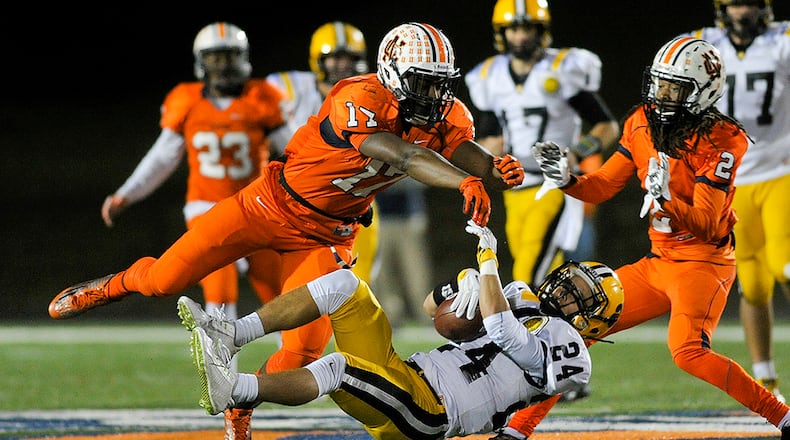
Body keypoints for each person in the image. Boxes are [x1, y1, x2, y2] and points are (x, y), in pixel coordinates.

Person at [48, 19, 525, 429]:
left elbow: (462, 151)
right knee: (165, 279)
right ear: (393, 75)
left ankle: (241, 400)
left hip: (329, 234)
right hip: (268, 206)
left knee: (304, 354)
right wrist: (464, 181)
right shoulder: (357, 96)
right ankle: (116, 284)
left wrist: (493, 166)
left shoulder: (444, 114)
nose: (435, 95)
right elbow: (404, 154)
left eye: (441, 83)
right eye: (424, 82)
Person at [492, 36, 790, 440]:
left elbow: (705, 222)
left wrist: (665, 198)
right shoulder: (641, 124)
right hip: (659, 261)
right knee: (576, 328)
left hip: (704, 262)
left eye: (675, 88)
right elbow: (603, 186)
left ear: (703, 93)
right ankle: (517, 429)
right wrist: (566, 180)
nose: (662, 96)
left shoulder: (722, 139)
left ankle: (782, 416)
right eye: (660, 84)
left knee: (688, 353)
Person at [179, 220, 625, 439]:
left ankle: (233, 390)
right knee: (345, 284)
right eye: (571, 283)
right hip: (404, 372)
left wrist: (486, 262)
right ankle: (231, 333)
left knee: (338, 367)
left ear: (594, 318)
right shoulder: (523, 296)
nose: (565, 293)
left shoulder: (573, 353)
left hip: (431, 412)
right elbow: (435, 310)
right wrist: (462, 282)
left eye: (580, 297)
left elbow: (505, 332)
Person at [463, 0, 620, 402]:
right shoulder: (489, 76)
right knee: (538, 281)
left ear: (541, 30)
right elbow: (494, 132)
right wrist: (486, 160)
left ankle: (535, 370)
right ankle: (564, 371)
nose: (521, 36)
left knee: (527, 275)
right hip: (515, 191)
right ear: (503, 33)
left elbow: (605, 125)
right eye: (514, 29)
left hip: (553, 187)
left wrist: (576, 152)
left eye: (527, 28)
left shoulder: (564, 67)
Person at [679, 0, 790, 403]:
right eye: (735, 3)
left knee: (786, 265)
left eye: (748, 3)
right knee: (755, 286)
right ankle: (766, 378)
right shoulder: (703, 44)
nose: (742, 12)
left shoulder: (782, 42)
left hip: (781, 169)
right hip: (732, 179)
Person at [266, 21, 380, 287]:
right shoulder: (287, 87)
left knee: (357, 275)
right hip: (298, 196)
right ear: (318, 60)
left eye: (349, 58)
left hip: (351, 194)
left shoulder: (370, 92)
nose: (342, 66)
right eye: (334, 58)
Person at [372, 177, 433, 325]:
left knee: (416, 270)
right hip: (378, 221)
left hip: (406, 218)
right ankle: (392, 315)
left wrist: (418, 211)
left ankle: (427, 312)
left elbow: (418, 178)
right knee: (383, 273)